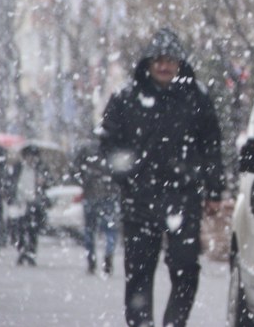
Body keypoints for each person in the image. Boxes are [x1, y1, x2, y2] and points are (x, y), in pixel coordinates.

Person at [98, 28, 224, 327]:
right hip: (139, 198)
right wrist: (126, 176)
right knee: (139, 272)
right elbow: (108, 143)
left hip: (184, 197)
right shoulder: (126, 97)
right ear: (148, 63)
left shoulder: (196, 97)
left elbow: (212, 146)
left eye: (170, 60)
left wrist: (214, 190)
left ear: (179, 63)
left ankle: (174, 323)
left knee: (185, 269)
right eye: (158, 60)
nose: (164, 66)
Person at [71, 139, 120, 275]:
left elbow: (75, 170)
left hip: (91, 195)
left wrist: (84, 181)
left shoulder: (86, 151)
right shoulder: (113, 149)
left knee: (89, 230)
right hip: (109, 195)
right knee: (110, 229)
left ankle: (91, 261)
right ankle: (108, 255)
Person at [7, 144, 50, 266]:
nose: (31, 159)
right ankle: (22, 251)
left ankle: (31, 253)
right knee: (19, 230)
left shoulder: (40, 170)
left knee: (33, 231)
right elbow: (11, 182)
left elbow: (49, 183)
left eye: (33, 157)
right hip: (20, 204)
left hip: (34, 204)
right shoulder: (18, 168)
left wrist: (43, 182)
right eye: (29, 156)